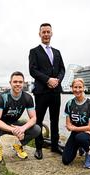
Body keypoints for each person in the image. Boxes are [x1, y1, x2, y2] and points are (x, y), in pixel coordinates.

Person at [29, 23, 65, 159]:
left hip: (55, 91)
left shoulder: (57, 52)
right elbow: (32, 70)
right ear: (39, 34)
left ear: (51, 33)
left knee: (55, 120)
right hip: (41, 92)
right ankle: (38, 148)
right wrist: (48, 80)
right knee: (38, 120)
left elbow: (62, 69)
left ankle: (55, 146)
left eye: (48, 32)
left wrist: (57, 80)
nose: (45, 34)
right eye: (43, 32)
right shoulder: (34, 51)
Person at [0, 71, 41, 162]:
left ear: (23, 83)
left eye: (20, 82)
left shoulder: (27, 97)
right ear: (10, 83)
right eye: (15, 82)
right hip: (1, 125)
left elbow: (34, 118)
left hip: (15, 124)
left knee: (37, 129)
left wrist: (22, 128)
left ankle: (18, 145)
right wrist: (13, 130)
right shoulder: (2, 97)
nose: (18, 84)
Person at [62, 78, 90, 168]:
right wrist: (76, 129)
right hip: (77, 134)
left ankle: (89, 153)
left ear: (84, 88)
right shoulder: (69, 104)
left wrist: (74, 128)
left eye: (80, 87)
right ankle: (80, 146)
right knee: (66, 160)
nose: (77, 90)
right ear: (72, 88)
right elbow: (68, 125)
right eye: (75, 87)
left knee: (80, 137)